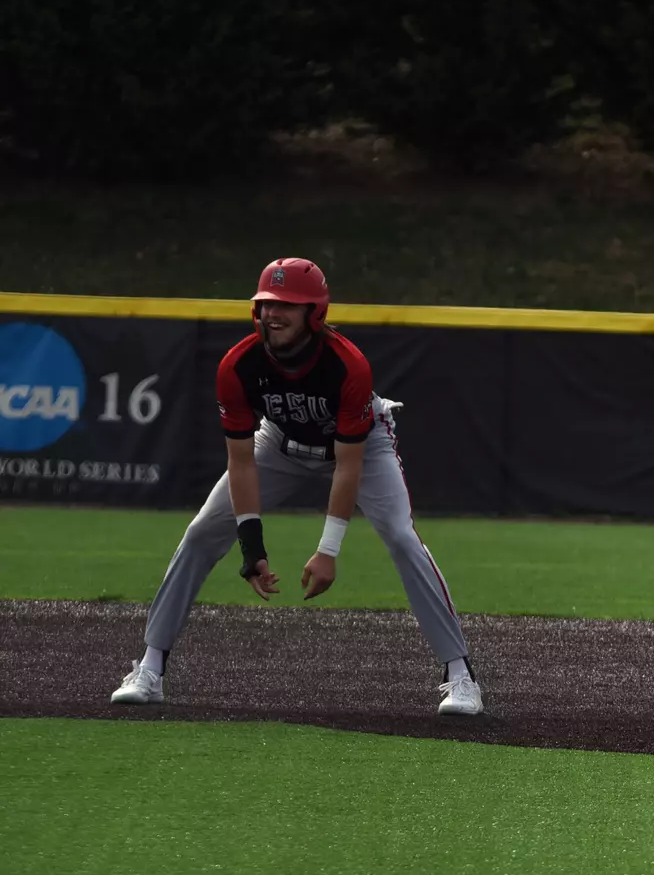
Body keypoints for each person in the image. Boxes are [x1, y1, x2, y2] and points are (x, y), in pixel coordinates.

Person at [109, 258, 484, 715]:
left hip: (361, 448)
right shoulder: (238, 365)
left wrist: (328, 550)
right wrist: (251, 547)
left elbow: (347, 466)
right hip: (278, 445)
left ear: (316, 313)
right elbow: (241, 461)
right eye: (267, 303)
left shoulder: (347, 365)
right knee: (202, 531)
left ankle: (460, 675)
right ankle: (149, 668)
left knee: (404, 539)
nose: (274, 313)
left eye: (288, 305)